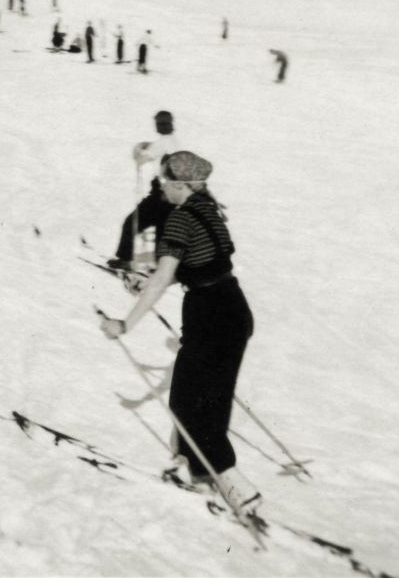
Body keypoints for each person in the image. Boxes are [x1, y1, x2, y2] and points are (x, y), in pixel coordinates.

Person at [100, 150, 256, 508]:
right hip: (232, 308)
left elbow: (166, 275)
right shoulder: (208, 210)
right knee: (209, 401)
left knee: (189, 403)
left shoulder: (179, 219)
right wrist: (153, 282)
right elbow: (202, 266)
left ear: (183, 184)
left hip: (209, 314)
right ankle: (203, 479)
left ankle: (238, 490)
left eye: (167, 181)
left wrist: (124, 322)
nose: (163, 188)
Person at [107, 110, 180, 270]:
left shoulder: (162, 143)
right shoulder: (174, 142)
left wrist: (139, 148)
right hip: (172, 194)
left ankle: (125, 259)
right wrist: (150, 145)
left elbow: (140, 160)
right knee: (162, 228)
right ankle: (161, 266)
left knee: (132, 222)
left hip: (159, 193)